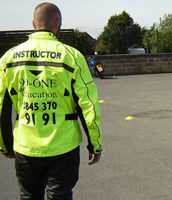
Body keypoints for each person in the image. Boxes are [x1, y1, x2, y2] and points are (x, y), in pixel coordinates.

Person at [0, 2, 102, 199]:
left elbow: (2, 107)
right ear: (57, 23)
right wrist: (94, 144)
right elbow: (88, 105)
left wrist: (5, 144)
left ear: (33, 23)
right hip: (64, 146)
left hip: (26, 146)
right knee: (61, 195)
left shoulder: (7, 58)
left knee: (29, 196)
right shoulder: (72, 56)